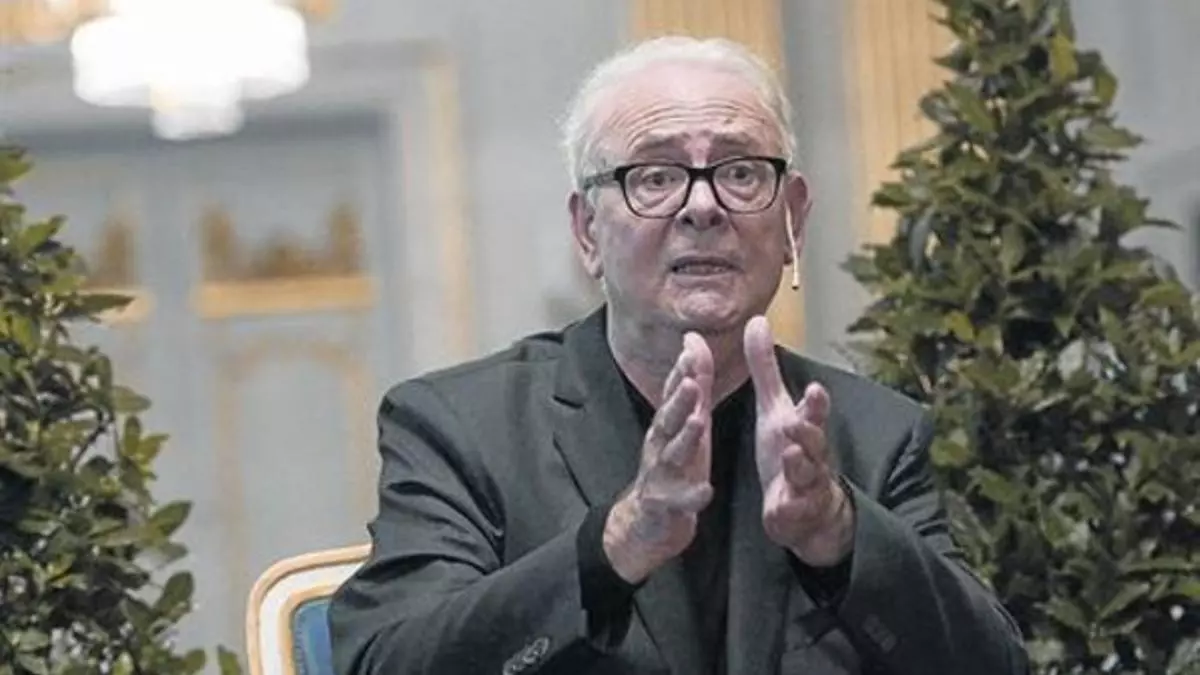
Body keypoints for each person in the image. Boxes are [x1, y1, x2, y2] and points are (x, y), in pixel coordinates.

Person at [328, 36, 1029, 675]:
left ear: (793, 219)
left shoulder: (874, 434)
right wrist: (621, 540)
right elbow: (387, 661)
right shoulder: (463, 427)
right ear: (587, 231)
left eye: (741, 172)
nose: (703, 207)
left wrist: (836, 533)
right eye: (656, 176)